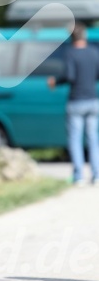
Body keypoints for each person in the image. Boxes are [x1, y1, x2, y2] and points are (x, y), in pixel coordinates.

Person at [48, 22, 99, 186]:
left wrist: (55, 81)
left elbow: (69, 76)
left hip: (76, 101)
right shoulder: (94, 52)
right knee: (93, 139)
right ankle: (96, 175)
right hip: (93, 100)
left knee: (76, 140)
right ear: (85, 36)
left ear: (72, 38)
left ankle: (79, 176)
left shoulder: (70, 53)